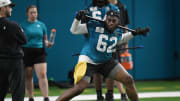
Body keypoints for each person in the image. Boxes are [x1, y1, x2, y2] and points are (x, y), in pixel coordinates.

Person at [56, 10, 149, 101]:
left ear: (119, 22)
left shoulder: (118, 31)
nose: (111, 23)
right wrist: (77, 19)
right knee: (79, 89)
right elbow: (74, 30)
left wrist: (134, 33)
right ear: (105, 19)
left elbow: (122, 39)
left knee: (128, 79)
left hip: (105, 61)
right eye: (109, 20)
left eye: (114, 21)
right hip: (88, 61)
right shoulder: (94, 25)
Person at [83, 1, 120, 101]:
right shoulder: (89, 7)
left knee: (110, 69)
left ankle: (109, 94)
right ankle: (99, 95)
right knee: (97, 70)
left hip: (109, 40)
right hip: (96, 41)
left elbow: (118, 24)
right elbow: (86, 25)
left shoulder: (112, 7)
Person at [20, 5, 53, 101]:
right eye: (31, 12)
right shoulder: (22, 25)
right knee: (28, 76)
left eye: (35, 12)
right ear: (27, 14)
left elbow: (45, 40)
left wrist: (48, 44)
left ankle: (46, 97)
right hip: (26, 52)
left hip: (39, 52)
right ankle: (30, 98)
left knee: (42, 74)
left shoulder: (42, 25)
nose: (33, 14)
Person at [0, 0, 27, 101]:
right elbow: (24, 40)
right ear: (3, 8)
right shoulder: (13, 25)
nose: (11, 9)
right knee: (18, 94)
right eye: (9, 6)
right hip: (14, 62)